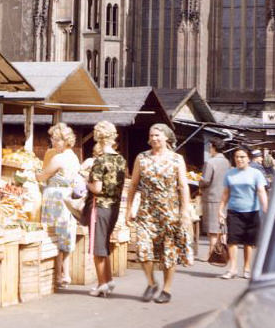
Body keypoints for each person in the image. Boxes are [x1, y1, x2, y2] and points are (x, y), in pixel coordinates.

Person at [125, 123, 193, 304]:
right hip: (146, 209)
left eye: (158, 135)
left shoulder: (177, 159)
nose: (154, 138)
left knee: (169, 251)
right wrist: (129, 209)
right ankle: (151, 282)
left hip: (170, 210)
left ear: (166, 137)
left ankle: (167, 289)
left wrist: (184, 211)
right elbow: (133, 184)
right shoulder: (142, 158)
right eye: (152, 135)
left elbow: (183, 186)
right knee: (142, 247)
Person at [86, 121, 126, 298]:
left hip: (100, 206)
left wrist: (84, 181)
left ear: (97, 137)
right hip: (114, 207)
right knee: (105, 244)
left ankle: (102, 283)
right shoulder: (120, 159)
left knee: (98, 247)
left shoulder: (100, 160)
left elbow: (97, 188)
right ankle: (108, 280)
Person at [38, 122, 81, 288]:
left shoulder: (58, 158)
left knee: (52, 234)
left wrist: (33, 173)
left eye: (56, 139)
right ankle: (66, 274)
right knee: (66, 235)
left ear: (65, 140)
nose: (53, 142)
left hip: (55, 199)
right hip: (68, 197)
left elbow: (42, 176)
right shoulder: (74, 157)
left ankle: (57, 275)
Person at [218, 147, 268, 280]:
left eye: (242, 157)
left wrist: (266, 208)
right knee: (232, 240)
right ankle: (233, 268)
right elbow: (225, 194)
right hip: (234, 211)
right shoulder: (230, 174)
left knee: (248, 242)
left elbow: (261, 192)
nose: (239, 159)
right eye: (237, 157)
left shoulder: (256, 173)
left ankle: (247, 268)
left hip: (251, 211)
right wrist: (220, 209)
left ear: (248, 159)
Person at [199, 139, 231, 259]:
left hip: (212, 197)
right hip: (225, 197)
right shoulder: (227, 162)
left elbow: (206, 180)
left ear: (213, 147)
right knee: (222, 226)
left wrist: (199, 182)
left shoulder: (210, 163)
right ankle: (224, 251)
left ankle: (212, 254)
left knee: (212, 229)